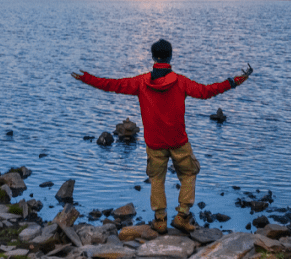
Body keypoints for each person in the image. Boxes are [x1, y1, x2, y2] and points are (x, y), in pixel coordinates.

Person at [71, 39, 252, 234]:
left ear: (153, 57)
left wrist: (87, 78)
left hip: (154, 143)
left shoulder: (141, 82)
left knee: (157, 179)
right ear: (170, 56)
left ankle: (160, 220)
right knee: (189, 174)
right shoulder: (181, 82)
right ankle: (182, 216)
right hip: (178, 141)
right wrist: (233, 82)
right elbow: (206, 92)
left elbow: (113, 85)